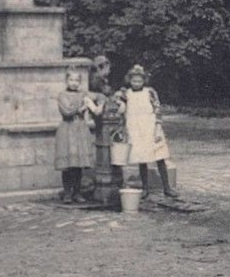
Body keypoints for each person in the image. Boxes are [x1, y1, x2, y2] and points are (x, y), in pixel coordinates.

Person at [114, 64, 179, 200]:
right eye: (134, 81)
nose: (136, 83)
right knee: (141, 159)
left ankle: (167, 187)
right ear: (129, 80)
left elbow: (157, 109)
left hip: (151, 127)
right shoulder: (126, 93)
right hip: (135, 128)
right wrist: (118, 102)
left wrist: (157, 126)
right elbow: (121, 110)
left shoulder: (150, 92)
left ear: (144, 81)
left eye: (139, 81)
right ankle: (145, 188)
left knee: (159, 157)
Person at [55, 70, 101, 203]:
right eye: (71, 80)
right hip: (67, 129)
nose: (74, 83)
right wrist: (80, 109)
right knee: (68, 164)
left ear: (80, 83)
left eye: (77, 81)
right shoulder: (62, 95)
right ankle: (67, 193)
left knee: (78, 164)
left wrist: (100, 101)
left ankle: (77, 192)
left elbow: (98, 98)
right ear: (66, 81)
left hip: (80, 129)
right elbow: (66, 111)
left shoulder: (83, 94)